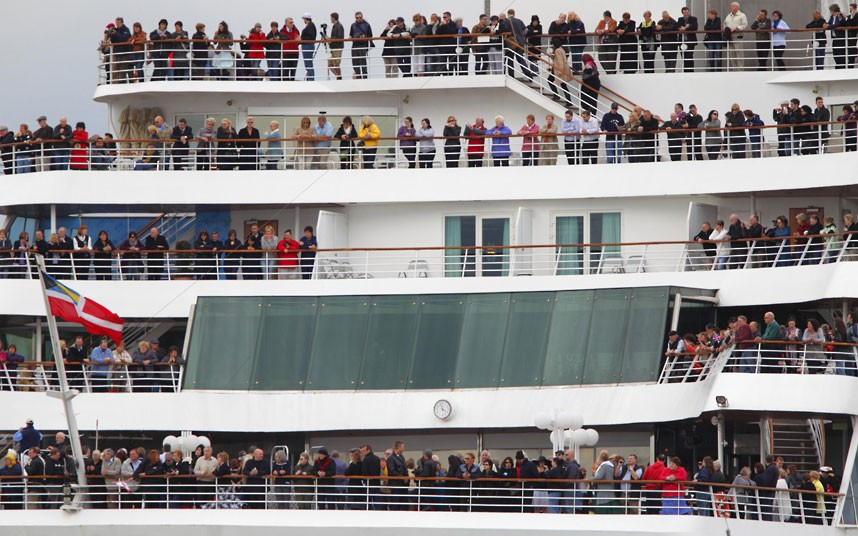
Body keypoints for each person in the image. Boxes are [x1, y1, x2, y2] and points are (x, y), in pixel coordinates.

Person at [724, 2, 748, 70]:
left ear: (737, 7)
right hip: (729, 37)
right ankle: (734, 69)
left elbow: (744, 25)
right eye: (731, 6)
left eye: (733, 6)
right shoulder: (728, 16)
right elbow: (725, 24)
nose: (731, 7)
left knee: (739, 53)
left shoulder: (742, 15)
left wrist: (737, 28)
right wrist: (726, 29)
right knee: (732, 54)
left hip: (738, 36)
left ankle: (740, 70)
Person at [350, 12, 374, 79]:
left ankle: (364, 76)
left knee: (362, 61)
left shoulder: (366, 25)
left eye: (360, 18)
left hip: (362, 45)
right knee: (355, 62)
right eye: (357, 18)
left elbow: (370, 35)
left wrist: (364, 37)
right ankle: (358, 76)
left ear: (362, 17)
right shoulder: (353, 25)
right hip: (354, 45)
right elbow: (351, 34)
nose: (358, 19)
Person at [677, 7, 699, 72]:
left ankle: (690, 71)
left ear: (689, 12)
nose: (686, 14)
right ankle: (685, 71)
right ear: (682, 13)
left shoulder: (694, 19)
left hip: (690, 41)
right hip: (682, 42)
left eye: (687, 12)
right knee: (683, 57)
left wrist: (688, 27)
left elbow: (695, 27)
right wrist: (681, 28)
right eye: (684, 13)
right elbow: (677, 27)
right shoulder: (680, 19)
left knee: (689, 56)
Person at [830, 4, 848, 69]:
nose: (830, 12)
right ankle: (838, 65)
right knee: (835, 53)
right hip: (834, 38)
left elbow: (838, 24)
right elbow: (830, 23)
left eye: (831, 11)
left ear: (833, 10)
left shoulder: (840, 15)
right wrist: (826, 25)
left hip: (840, 38)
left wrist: (829, 26)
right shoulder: (832, 17)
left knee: (841, 53)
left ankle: (841, 66)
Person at [328, 13, 345, 80]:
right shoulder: (335, 26)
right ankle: (338, 76)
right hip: (333, 48)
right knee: (330, 63)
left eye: (331, 18)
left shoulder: (339, 26)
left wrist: (330, 39)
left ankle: (339, 77)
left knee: (336, 64)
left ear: (333, 18)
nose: (330, 19)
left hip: (337, 48)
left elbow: (340, 37)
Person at [300, 14, 317, 80]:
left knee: (308, 63)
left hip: (307, 46)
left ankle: (311, 78)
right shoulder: (311, 26)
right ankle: (310, 77)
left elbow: (311, 37)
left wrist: (301, 39)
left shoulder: (310, 26)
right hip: (307, 46)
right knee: (308, 63)